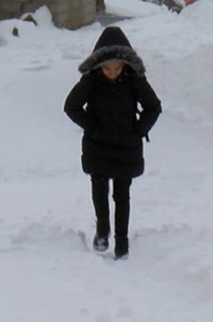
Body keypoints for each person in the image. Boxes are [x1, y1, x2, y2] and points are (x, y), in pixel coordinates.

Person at [64, 26, 161, 259]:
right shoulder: (91, 81)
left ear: (125, 65)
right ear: (99, 65)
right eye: (107, 68)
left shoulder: (134, 80)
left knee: (122, 194)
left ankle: (122, 241)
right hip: (97, 145)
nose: (112, 72)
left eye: (117, 68)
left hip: (126, 147)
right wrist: (92, 126)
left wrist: (139, 130)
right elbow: (71, 106)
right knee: (99, 189)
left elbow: (153, 106)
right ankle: (102, 230)